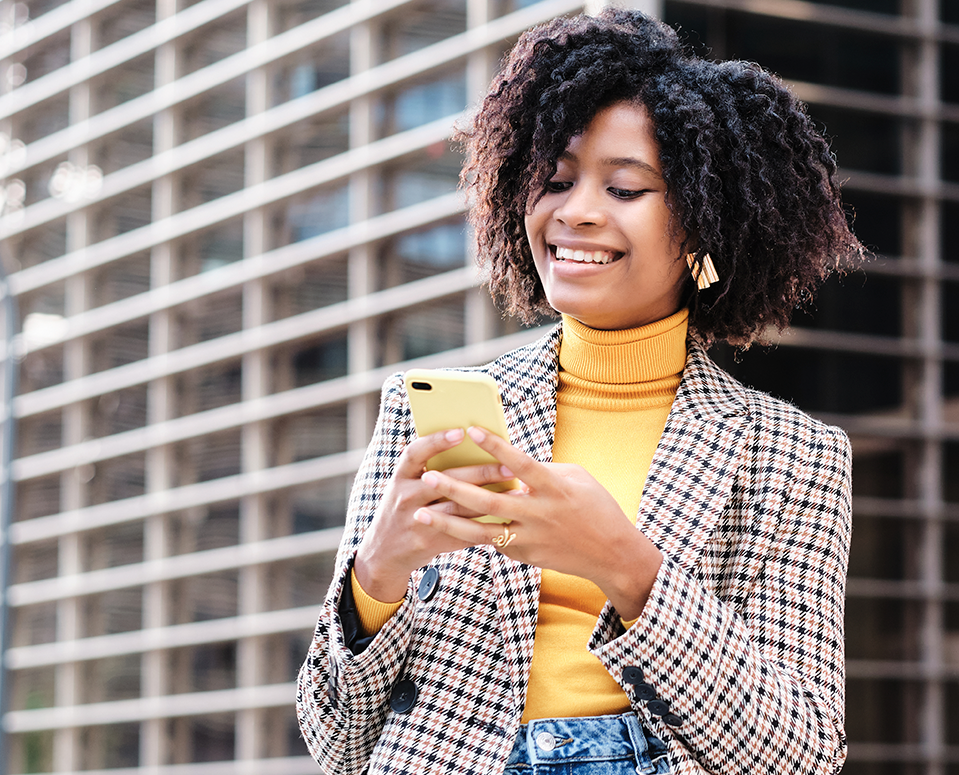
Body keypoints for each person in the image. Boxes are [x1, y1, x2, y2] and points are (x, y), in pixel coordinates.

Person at [295, 8, 864, 774]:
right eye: (556, 179)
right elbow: (336, 741)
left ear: (701, 227)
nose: (577, 211)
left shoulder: (794, 455)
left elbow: (800, 753)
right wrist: (377, 577)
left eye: (625, 188)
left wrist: (631, 569)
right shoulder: (426, 408)